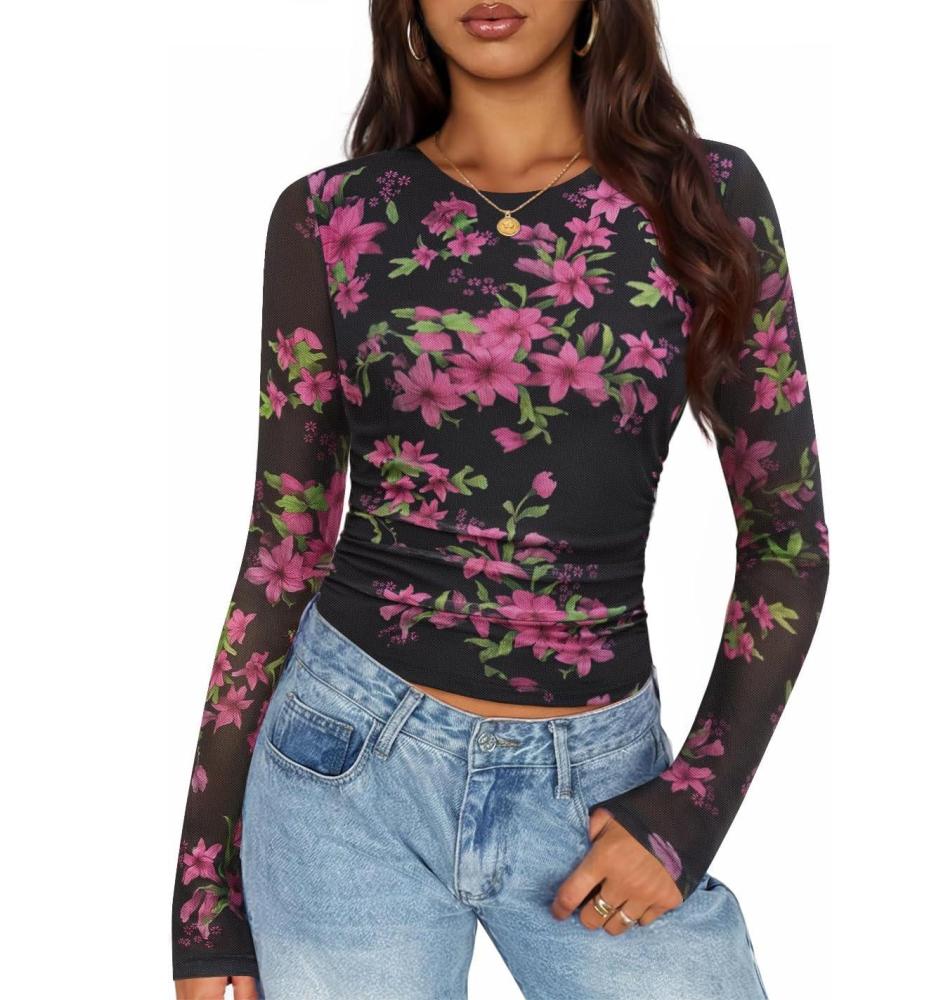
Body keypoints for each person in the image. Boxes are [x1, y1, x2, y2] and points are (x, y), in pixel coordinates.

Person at [171, 1, 830, 997]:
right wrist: (204, 899)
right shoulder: (327, 218)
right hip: (342, 770)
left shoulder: (706, 199)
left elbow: (787, 540)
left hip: (599, 788)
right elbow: (281, 556)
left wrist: (688, 812)